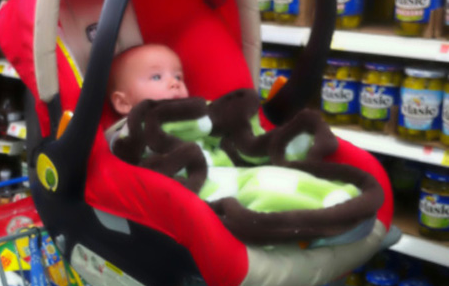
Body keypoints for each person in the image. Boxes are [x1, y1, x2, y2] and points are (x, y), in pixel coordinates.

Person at [105, 44, 378, 245]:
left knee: (276, 175)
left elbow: (222, 140)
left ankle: (335, 197)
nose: (175, 84)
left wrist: (231, 125)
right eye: (157, 77)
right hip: (196, 191)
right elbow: (145, 161)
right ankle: (315, 224)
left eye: (178, 77)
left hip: (227, 170)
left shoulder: (199, 114)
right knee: (261, 194)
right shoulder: (131, 133)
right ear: (122, 102)